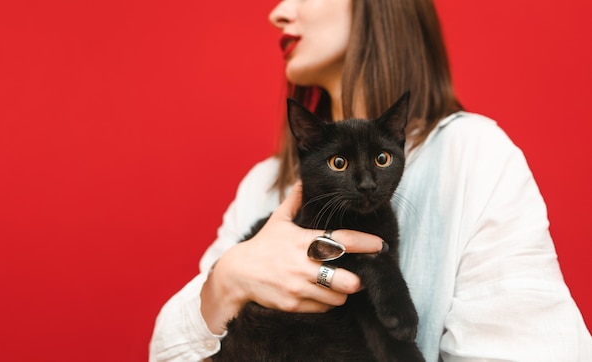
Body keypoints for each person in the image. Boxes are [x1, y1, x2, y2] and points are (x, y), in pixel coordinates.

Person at [149, 0, 592, 361]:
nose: (278, 12)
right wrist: (226, 282)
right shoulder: (263, 185)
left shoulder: (472, 153)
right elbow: (165, 353)